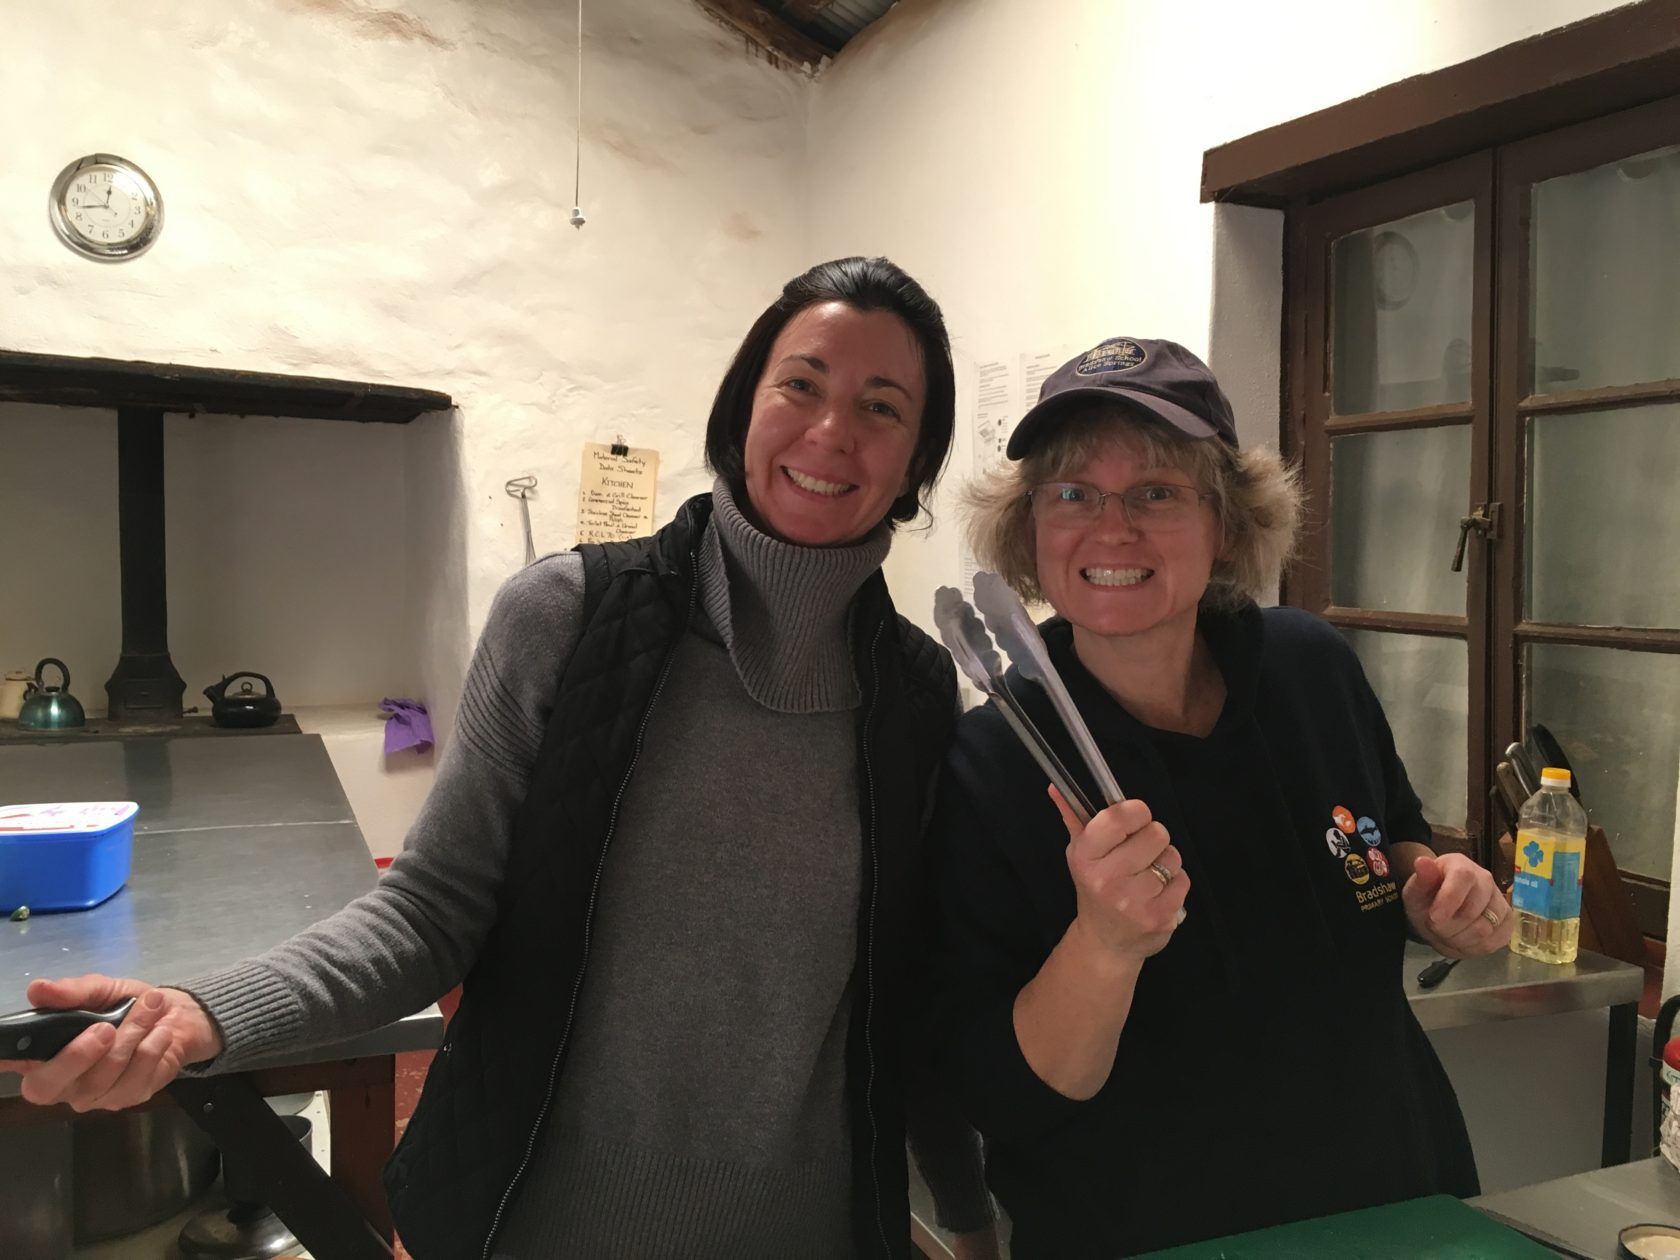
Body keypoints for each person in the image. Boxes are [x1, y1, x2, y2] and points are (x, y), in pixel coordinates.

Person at [3, 257, 995, 1260]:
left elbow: (904, 990)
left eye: (883, 407)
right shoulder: (568, 616)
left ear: (916, 463)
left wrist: (963, 1212)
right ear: (743, 405)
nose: (832, 432)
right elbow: (431, 909)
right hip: (542, 1223)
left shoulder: (915, 691)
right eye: (802, 384)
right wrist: (203, 1014)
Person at [923, 337, 1512, 1258]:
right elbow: (1012, 1095)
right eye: (1072, 494)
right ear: (1029, 528)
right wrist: (1105, 945)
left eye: (1157, 492)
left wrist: (1439, 895)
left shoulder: (1310, 668)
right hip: (1143, 1233)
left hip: (1393, 1202)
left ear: (1228, 524)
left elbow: (1386, 844)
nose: (1112, 529)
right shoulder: (990, 761)